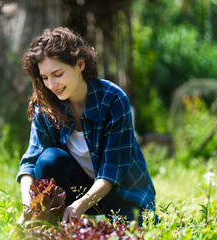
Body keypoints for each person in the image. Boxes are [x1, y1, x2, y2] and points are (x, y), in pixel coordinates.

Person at [16, 27, 156, 224]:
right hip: (78, 192)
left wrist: (79, 206)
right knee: (48, 159)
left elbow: (111, 171)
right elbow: (30, 164)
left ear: (79, 64)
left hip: (122, 196)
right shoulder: (46, 105)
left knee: (132, 228)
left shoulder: (113, 100)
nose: (51, 85)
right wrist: (29, 208)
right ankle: (59, 226)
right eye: (45, 77)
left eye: (58, 74)